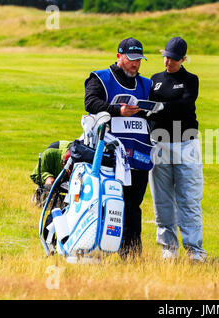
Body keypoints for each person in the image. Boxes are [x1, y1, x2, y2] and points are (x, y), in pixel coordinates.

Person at [84, 37, 152, 259]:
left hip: (139, 156)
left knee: (133, 206)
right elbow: (91, 102)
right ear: (119, 56)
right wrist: (116, 111)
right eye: (131, 59)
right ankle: (97, 251)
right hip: (110, 156)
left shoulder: (146, 84)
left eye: (139, 60)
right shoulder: (100, 78)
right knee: (107, 202)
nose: (135, 64)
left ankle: (131, 256)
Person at [148, 37, 206, 262]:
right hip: (159, 144)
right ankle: (168, 247)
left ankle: (194, 250)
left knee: (188, 198)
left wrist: (161, 107)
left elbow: (185, 104)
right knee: (162, 198)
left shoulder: (191, 80)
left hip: (185, 144)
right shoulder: (155, 80)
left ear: (183, 59)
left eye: (173, 59)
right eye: (165, 57)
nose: (167, 62)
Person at [30, 140, 72, 207]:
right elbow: (35, 174)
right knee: (46, 191)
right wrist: (47, 177)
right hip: (56, 182)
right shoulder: (51, 153)